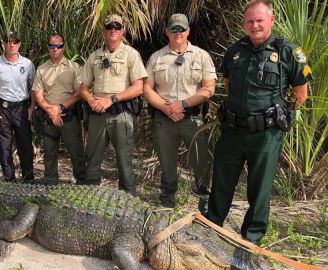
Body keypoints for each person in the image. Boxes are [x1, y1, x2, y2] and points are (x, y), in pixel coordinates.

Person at [206, 0, 312, 244]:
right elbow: (229, 85)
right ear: (244, 23)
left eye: (260, 20)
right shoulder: (234, 51)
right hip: (232, 131)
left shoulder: (289, 52)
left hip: (265, 136)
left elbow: (301, 94)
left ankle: (250, 240)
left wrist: (278, 115)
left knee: (259, 189)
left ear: (271, 21)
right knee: (221, 182)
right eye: (250, 21)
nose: (255, 25)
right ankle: (211, 228)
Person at [143, 13, 217, 212]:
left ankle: (205, 199)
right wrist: (167, 107)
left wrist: (182, 104)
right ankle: (167, 200)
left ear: (188, 31)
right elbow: (147, 88)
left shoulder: (202, 56)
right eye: (173, 29)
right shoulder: (156, 58)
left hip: (192, 118)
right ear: (167, 31)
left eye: (182, 29)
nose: (178, 32)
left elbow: (209, 88)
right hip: (164, 117)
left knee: (201, 161)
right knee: (166, 161)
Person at [78, 14, 147, 195]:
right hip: (98, 114)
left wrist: (112, 99)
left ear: (122, 30)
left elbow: (139, 87)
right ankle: (89, 197)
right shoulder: (95, 56)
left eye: (117, 27)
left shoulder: (131, 55)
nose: (113, 30)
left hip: (121, 114)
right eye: (109, 27)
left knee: (124, 160)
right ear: (104, 30)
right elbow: (83, 87)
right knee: (92, 159)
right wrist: (92, 100)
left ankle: (128, 198)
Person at [32, 34, 87, 184]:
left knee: (76, 152)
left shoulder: (74, 68)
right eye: (52, 46)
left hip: (69, 116)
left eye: (59, 46)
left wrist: (60, 108)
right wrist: (50, 110)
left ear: (64, 46)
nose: (55, 49)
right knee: (49, 153)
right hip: (48, 118)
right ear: (48, 47)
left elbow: (80, 92)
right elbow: (38, 94)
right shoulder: (42, 69)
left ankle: (82, 183)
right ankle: (50, 183)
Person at [0, 31, 35, 183]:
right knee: (4, 146)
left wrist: (32, 107)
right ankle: (9, 179)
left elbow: (33, 87)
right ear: (4, 44)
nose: (12, 44)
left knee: (25, 144)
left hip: (21, 108)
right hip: (2, 109)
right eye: (8, 41)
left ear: (19, 44)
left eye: (15, 42)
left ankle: (28, 178)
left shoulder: (27, 64)